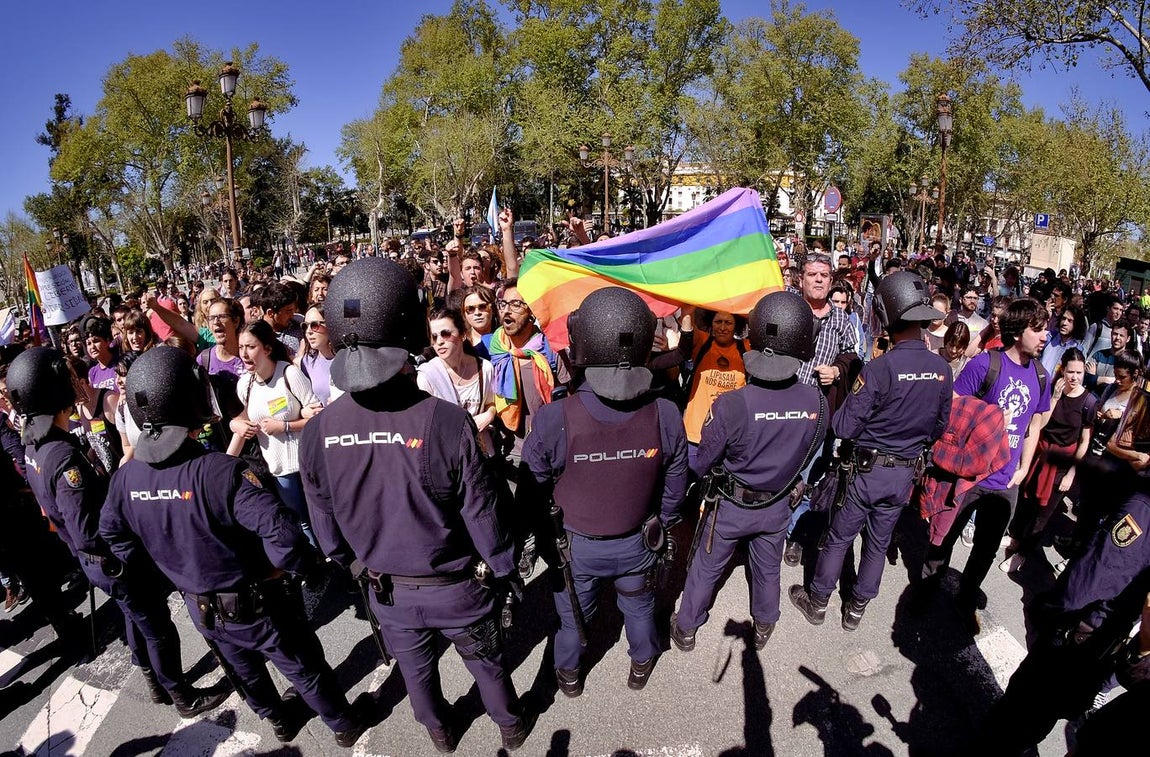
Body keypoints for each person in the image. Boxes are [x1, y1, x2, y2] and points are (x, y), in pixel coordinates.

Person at [299, 259, 532, 753]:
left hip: (388, 592)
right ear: (409, 328)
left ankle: (440, 734)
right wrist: (505, 567)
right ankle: (510, 726)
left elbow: (327, 532)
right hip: (458, 586)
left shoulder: (318, 431)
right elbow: (482, 513)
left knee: (415, 674)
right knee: (487, 665)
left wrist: (361, 566)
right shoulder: (446, 421)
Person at [98, 347, 364, 747]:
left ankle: (279, 722)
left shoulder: (125, 479)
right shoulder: (219, 471)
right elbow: (286, 537)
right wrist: (284, 569)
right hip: (256, 601)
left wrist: (173, 567)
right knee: (301, 667)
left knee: (247, 675)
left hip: (201, 607)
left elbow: (113, 538)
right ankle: (342, 725)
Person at [8, 347, 227, 716]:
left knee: (135, 618)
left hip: (95, 562)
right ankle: (181, 695)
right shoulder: (62, 456)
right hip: (112, 558)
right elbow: (86, 529)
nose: (76, 383)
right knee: (157, 626)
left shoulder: (35, 446)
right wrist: (126, 545)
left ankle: (154, 681)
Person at [523, 287, 688, 695]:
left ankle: (569, 674)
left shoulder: (554, 417)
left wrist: (544, 537)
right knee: (639, 607)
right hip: (639, 541)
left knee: (573, 617)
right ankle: (641, 661)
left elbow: (531, 491)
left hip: (577, 549)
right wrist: (664, 523)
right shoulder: (665, 413)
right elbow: (676, 482)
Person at [790, 272, 952, 630]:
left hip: (867, 471)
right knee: (878, 542)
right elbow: (939, 428)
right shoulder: (941, 369)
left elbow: (844, 426)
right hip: (904, 474)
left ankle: (817, 601)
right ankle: (856, 610)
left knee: (840, 537)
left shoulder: (880, 369)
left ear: (887, 314)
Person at [672, 291, 825, 653]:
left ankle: (687, 626)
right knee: (768, 568)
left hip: (731, 506)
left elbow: (703, 460)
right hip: (777, 506)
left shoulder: (733, 404)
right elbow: (810, 451)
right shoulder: (815, 401)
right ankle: (765, 624)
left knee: (707, 567)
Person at [922, 297, 1053, 633]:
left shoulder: (1040, 375)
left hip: (1005, 482)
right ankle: (925, 591)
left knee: (985, 549)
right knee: (944, 538)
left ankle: (965, 602)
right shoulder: (985, 365)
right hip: (969, 475)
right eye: (1037, 329)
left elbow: (1033, 427)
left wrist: (1022, 470)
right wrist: (989, 418)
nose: (1044, 336)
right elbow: (954, 408)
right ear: (1017, 331)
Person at [1000, 348, 1095, 574]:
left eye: (1079, 373)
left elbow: (1084, 442)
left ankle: (1023, 552)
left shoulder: (1089, 402)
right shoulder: (1054, 390)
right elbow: (1040, 425)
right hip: (1040, 454)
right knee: (1027, 500)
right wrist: (1054, 398)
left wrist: (1072, 474)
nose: (1074, 377)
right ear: (1062, 370)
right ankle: (1015, 538)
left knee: (1043, 513)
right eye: (1070, 371)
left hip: (1062, 463)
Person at [230, 321, 322, 545]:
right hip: (279, 470)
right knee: (301, 522)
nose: (244, 353)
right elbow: (239, 419)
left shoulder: (289, 374)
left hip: (309, 464)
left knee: (322, 518)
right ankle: (320, 569)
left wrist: (286, 426)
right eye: (241, 347)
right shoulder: (245, 385)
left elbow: (318, 415)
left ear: (267, 348)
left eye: (251, 347)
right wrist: (237, 426)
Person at [417, 308, 496, 454]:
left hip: (482, 452)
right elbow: (424, 424)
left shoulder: (485, 368)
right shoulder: (427, 375)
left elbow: (491, 403)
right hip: (448, 454)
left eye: (446, 334)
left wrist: (489, 415)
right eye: (434, 337)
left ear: (463, 335)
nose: (439, 341)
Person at [297, 305, 336, 406]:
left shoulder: (349, 359)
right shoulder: (305, 363)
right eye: (305, 326)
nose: (308, 331)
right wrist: (303, 412)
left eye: (314, 325)